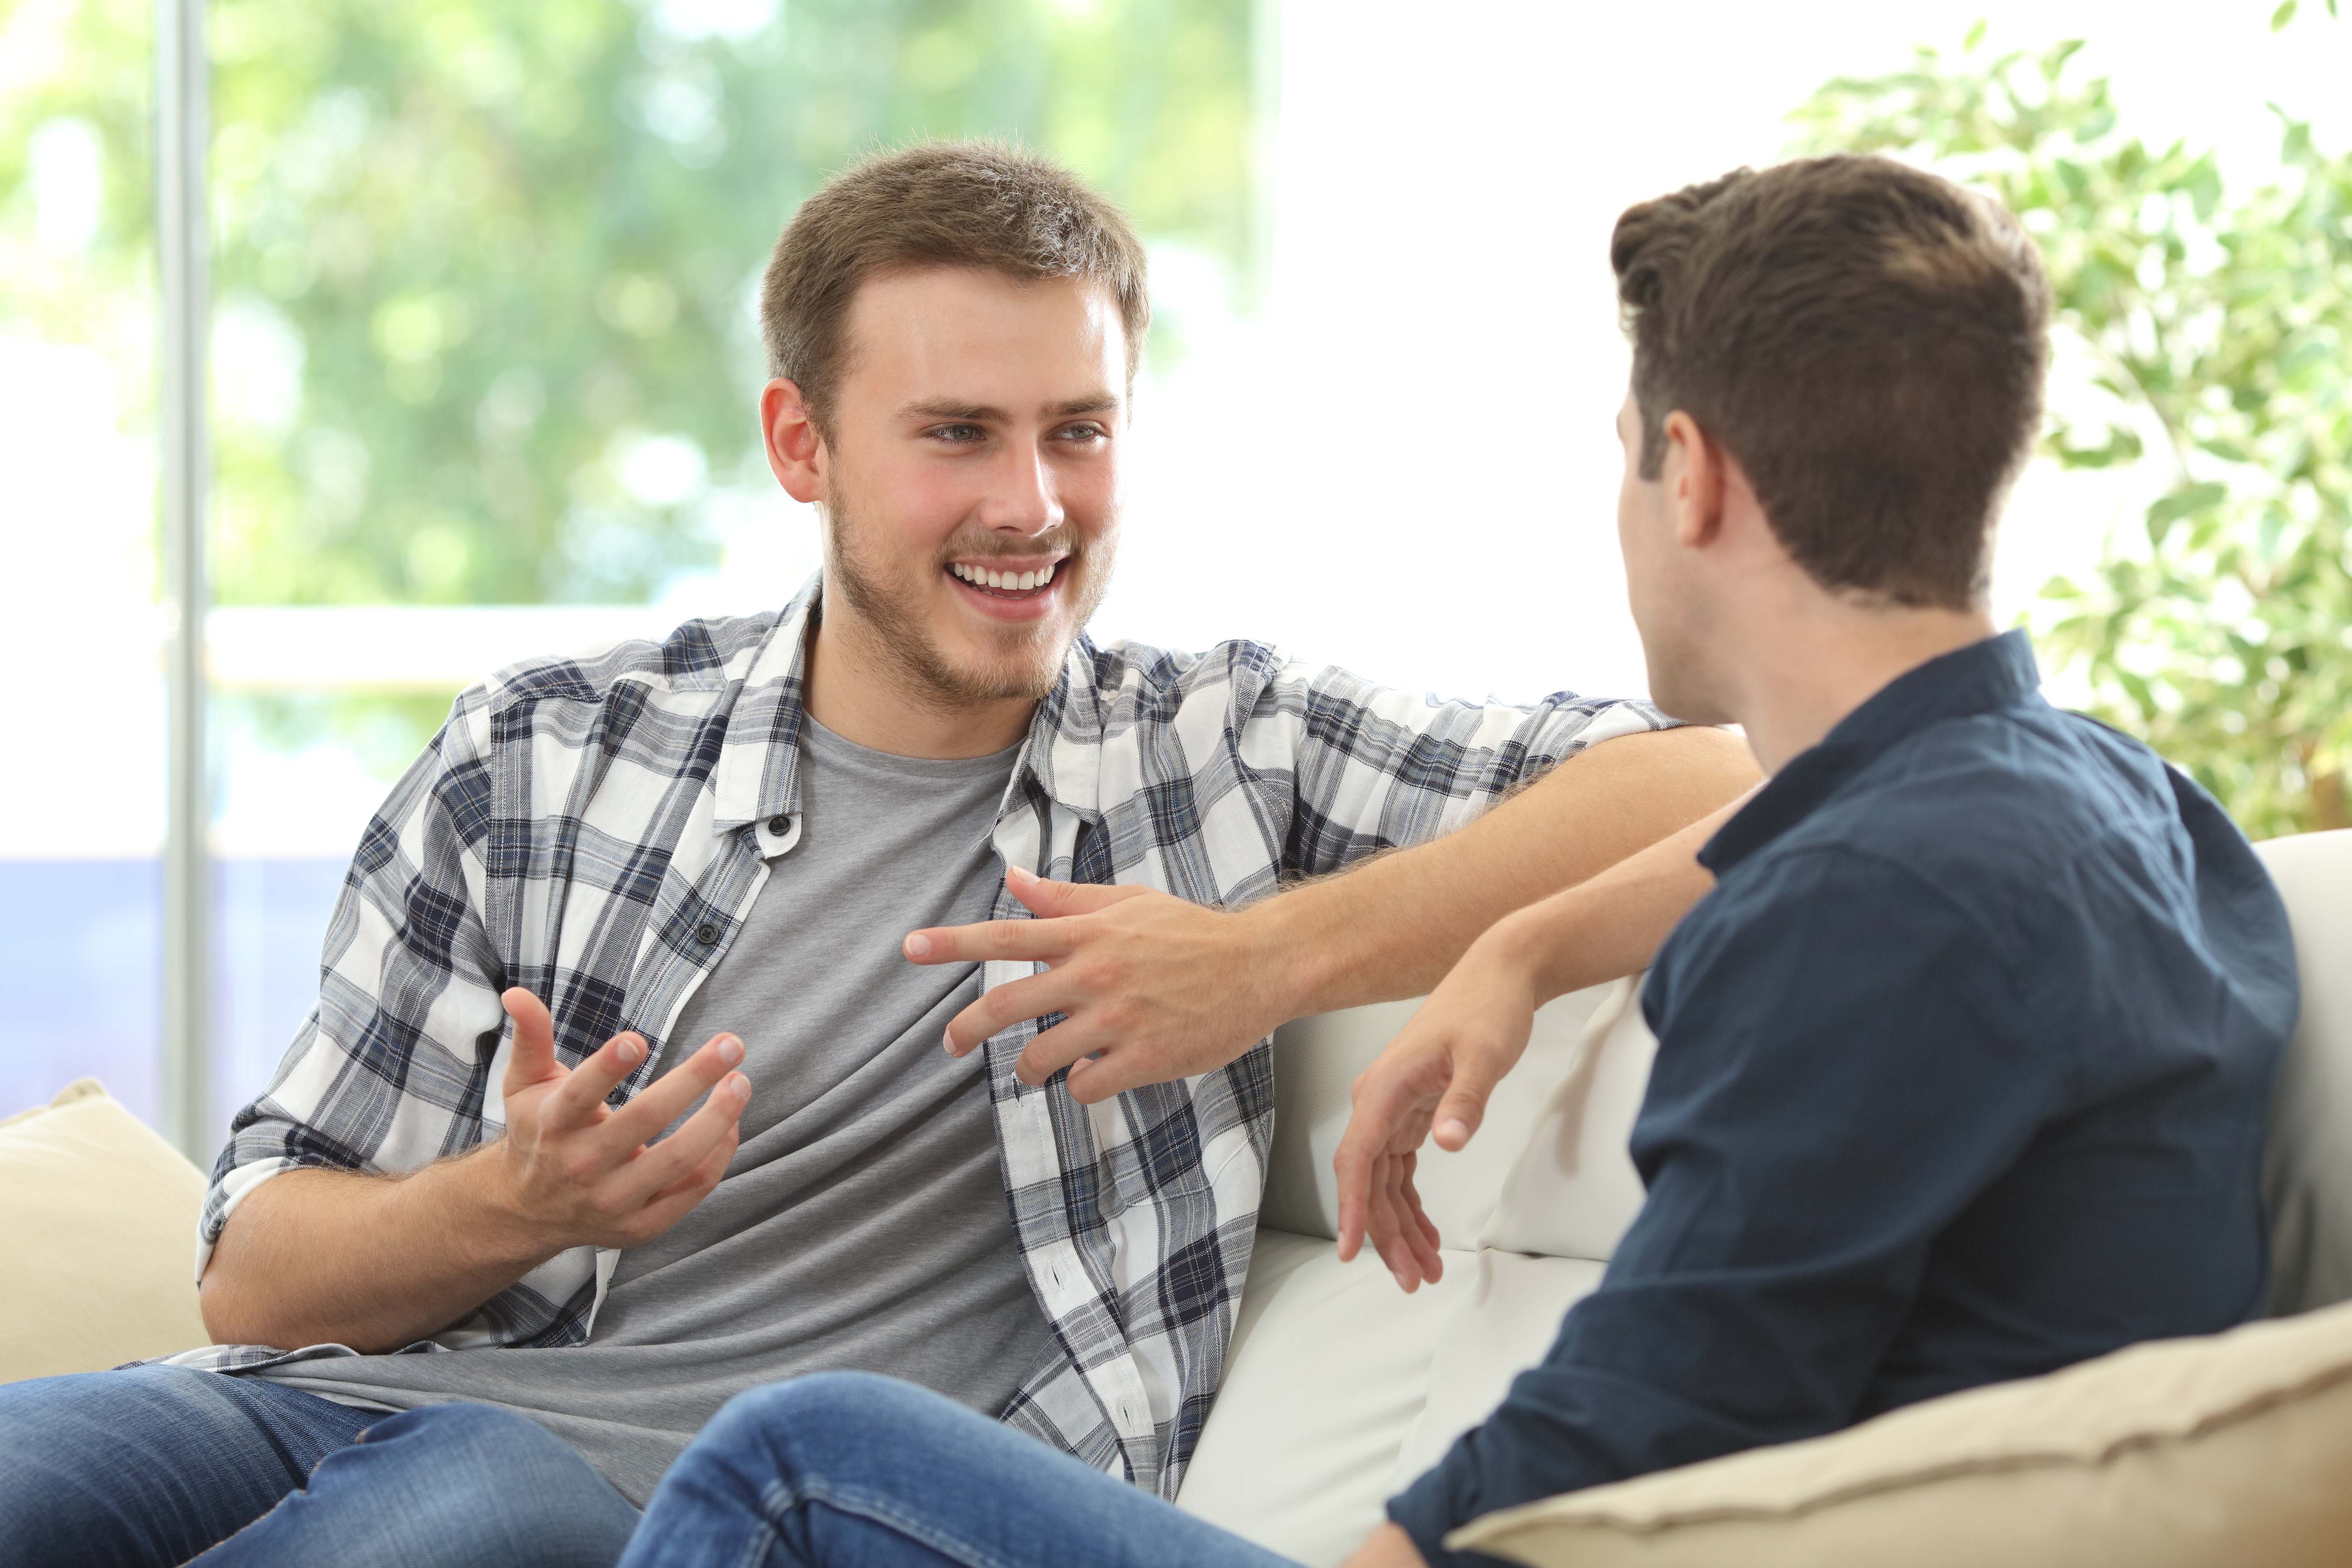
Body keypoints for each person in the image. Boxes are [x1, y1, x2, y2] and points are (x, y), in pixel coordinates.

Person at [0, 143, 1756, 1568]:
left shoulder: (1221, 751)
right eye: (956, 436)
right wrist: (512, 1205)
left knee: (473, 1506)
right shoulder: (541, 756)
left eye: (1078, 430)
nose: (1033, 506)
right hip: (320, 1400)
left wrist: (1269, 962)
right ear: (799, 446)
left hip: (665, 1518)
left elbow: (1715, 770)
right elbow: (253, 1274)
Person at [600, 154, 2298, 1568]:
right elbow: (1831, 812)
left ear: (1688, 479)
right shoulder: (2111, 799)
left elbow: (1647, 1407)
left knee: (803, 1459)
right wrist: (1523, 943)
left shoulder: (1881, 911)